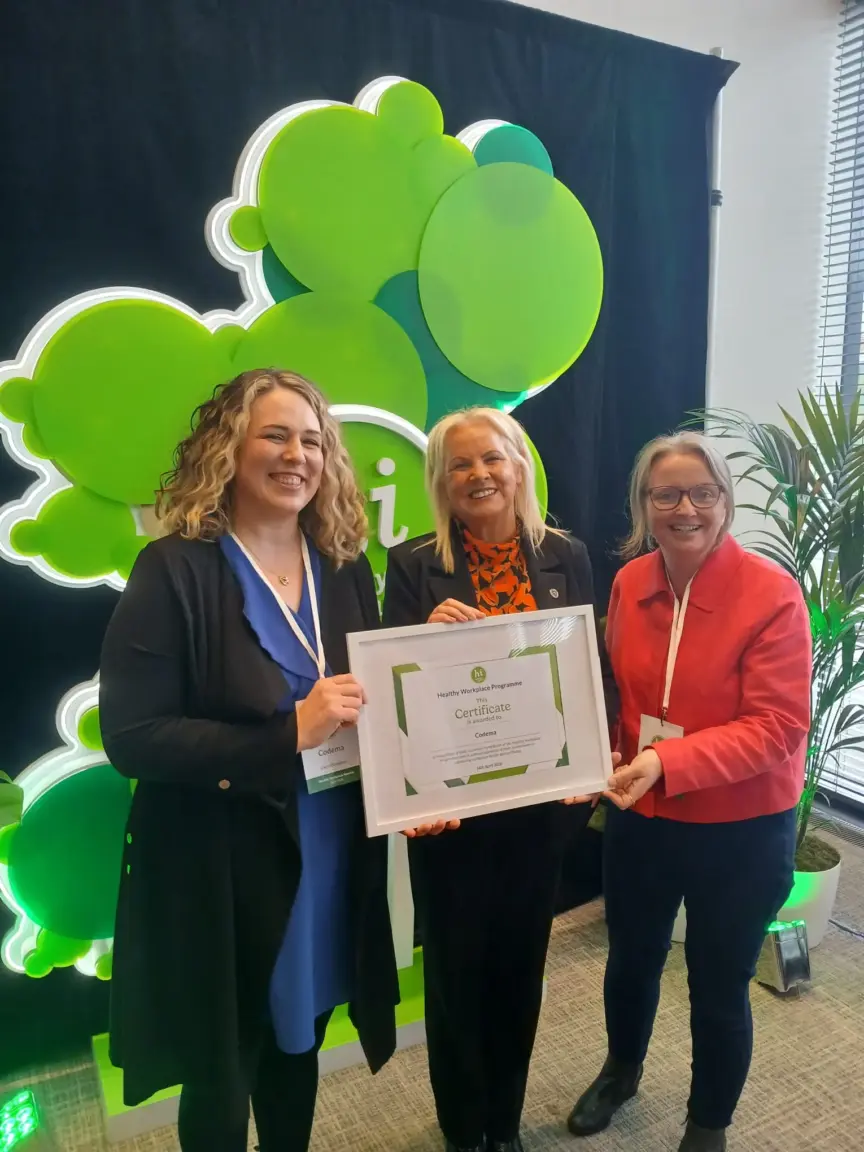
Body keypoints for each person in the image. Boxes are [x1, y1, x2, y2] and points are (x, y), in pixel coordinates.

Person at [99, 369, 399, 1152]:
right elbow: (131, 736)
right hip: (222, 869)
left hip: (326, 849)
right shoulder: (174, 570)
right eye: (274, 434)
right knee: (224, 1071)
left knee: (299, 1042)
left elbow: (367, 703)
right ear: (228, 448)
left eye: (311, 439)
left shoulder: (342, 568)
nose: (295, 454)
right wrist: (284, 734)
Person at [566, 432, 811, 1152]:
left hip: (741, 829)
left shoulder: (772, 594)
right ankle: (621, 1071)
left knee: (717, 985)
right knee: (631, 959)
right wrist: (602, 753)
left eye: (703, 493)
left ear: (725, 502)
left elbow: (779, 725)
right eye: (666, 493)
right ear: (644, 504)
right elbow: (622, 697)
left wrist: (669, 764)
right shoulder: (629, 581)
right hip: (644, 819)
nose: (685, 508)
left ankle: (708, 1127)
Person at [383, 407, 617, 1152]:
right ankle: (462, 1128)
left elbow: (590, 673)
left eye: (493, 459)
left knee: (520, 973)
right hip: (451, 820)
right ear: (442, 483)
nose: (479, 475)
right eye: (461, 465)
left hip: (538, 815)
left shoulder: (567, 555)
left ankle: (505, 1126)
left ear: (518, 466)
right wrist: (422, 639)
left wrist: (592, 760)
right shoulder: (412, 564)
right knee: (454, 980)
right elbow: (393, 694)